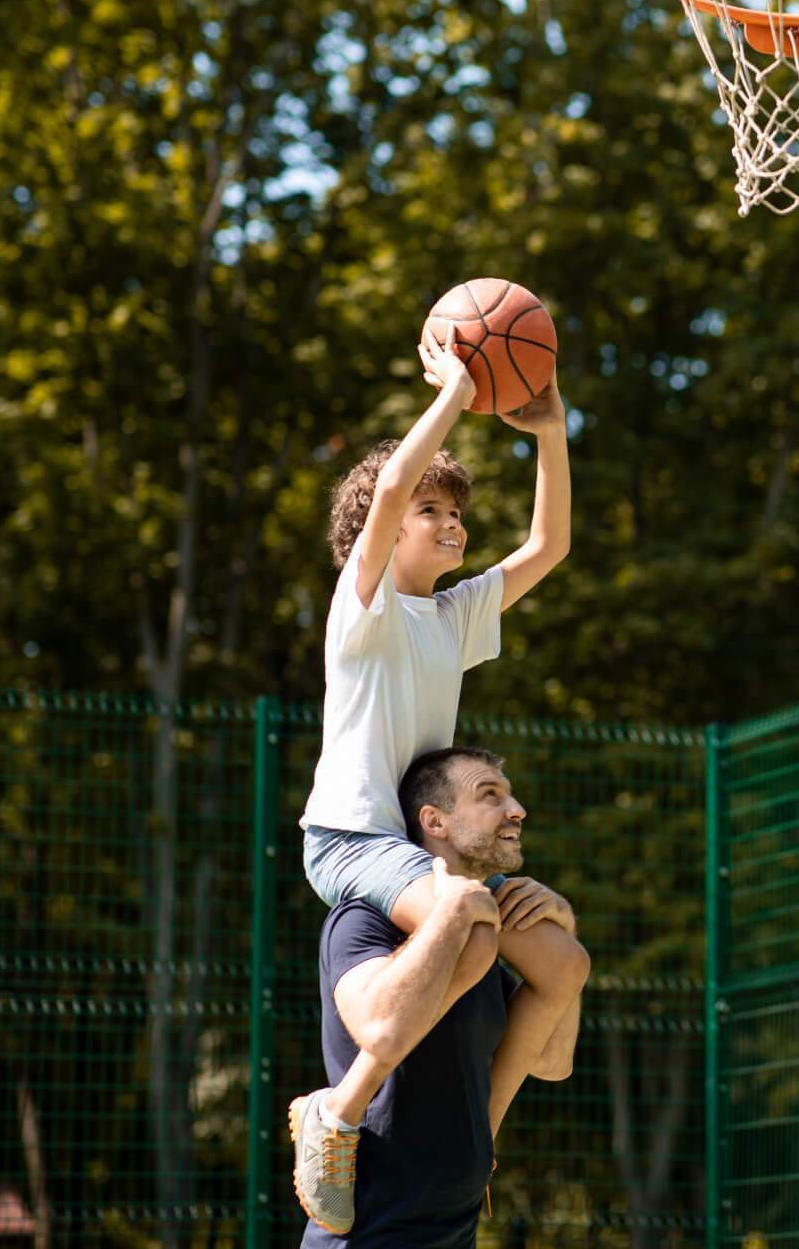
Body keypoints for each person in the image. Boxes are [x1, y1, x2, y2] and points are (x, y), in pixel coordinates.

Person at [289, 324, 583, 1233]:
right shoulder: (363, 608)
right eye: (434, 512)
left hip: (424, 850)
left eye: (458, 514)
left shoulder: (452, 617)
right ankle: (334, 1114)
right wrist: (458, 387)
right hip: (353, 842)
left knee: (553, 957)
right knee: (464, 916)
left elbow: (550, 545)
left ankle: (481, 1142)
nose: (453, 525)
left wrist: (550, 429)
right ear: (385, 527)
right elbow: (381, 503)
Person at [297, 747, 588, 1247]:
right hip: (369, 1230)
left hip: (457, 1226)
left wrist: (564, 927)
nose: (515, 810)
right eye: (489, 795)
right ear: (434, 821)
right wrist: (453, 912)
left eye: (510, 796)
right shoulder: (361, 920)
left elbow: (554, 1062)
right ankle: (326, 1115)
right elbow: (382, 1028)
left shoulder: (493, 949)